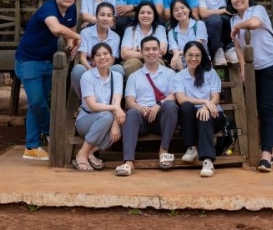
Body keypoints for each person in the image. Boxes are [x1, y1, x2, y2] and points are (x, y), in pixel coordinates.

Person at [14, 0, 81, 161]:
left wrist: (69, 46)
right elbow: (56, 28)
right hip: (29, 61)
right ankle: (53, 132)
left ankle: (31, 147)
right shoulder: (48, 8)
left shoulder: (72, 9)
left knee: (39, 103)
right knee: (37, 102)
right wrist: (78, 38)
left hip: (48, 61)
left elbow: (70, 27)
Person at [229, 0, 273, 173]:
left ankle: (266, 156)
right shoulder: (233, 19)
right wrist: (243, 68)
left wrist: (238, 25)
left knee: (267, 110)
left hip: (271, 66)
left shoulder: (257, 10)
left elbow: (254, 24)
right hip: (254, 71)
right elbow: (238, 46)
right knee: (260, 109)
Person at [115, 35, 180, 176]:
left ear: (160, 52)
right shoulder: (134, 76)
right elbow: (130, 100)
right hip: (142, 118)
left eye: (154, 49)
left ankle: (163, 150)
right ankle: (128, 161)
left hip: (162, 117)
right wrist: (140, 108)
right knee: (131, 113)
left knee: (170, 105)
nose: (151, 52)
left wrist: (159, 105)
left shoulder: (170, 73)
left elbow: (174, 95)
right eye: (147, 49)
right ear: (142, 52)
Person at [170, 41, 226, 178]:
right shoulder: (179, 77)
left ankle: (207, 161)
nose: (193, 59)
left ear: (202, 57)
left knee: (204, 117)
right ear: (185, 57)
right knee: (186, 107)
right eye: (190, 55)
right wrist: (204, 102)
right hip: (193, 114)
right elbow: (181, 99)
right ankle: (192, 147)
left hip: (214, 114)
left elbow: (215, 98)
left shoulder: (210, 73)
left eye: (197, 55)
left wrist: (206, 107)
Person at [73, 42, 125, 171]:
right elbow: (93, 106)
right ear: (93, 60)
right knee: (107, 116)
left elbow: (116, 101)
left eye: (106, 54)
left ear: (112, 57)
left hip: (107, 119)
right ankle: (82, 154)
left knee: (124, 121)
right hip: (86, 120)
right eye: (98, 55)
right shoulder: (87, 76)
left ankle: (90, 152)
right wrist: (114, 109)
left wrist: (115, 124)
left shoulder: (117, 76)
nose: (102, 57)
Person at [71, 2, 123, 98]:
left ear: (113, 19)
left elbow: (111, 59)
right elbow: (82, 57)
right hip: (89, 67)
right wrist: (92, 71)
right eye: (102, 15)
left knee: (118, 69)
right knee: (78, 69)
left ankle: (109, 100)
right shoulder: (85, 33)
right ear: (96, 16)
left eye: (109, 15)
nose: (105, 18)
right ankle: (84, 99)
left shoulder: (115, 37)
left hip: (106, 69)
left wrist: (102, 71)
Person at [198, 0, 237, 66]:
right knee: (215, 19)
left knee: (234, 19)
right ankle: (217, 51)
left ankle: (230, 48)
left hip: (225, 32)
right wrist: (224, 10)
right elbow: (203, 13)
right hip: (210, 32)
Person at [120, 0, 167, 77]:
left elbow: (162, 50)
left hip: (153, 59)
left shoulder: (160, 29)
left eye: (149, 13)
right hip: (134, 60)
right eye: (142, 13)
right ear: (137, 15)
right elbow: (124, 53)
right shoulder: (130, 30)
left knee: (156, 62)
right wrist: (150, 52)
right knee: (133, 63)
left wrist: (136, 49)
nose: (145, 15)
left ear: (154, 15)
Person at [166, 0, 208, 71]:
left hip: (199, 62)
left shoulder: (199, 25)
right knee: (177, 56)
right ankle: (183, 77)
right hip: (182, 65)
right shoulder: (171, 33)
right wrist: (177, 54)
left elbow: (196, 47)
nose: (180, 11)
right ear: (172, 14)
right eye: (176, 10)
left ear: (188, 9)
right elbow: (175, 53)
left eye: (182, 8)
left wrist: (179, 53)